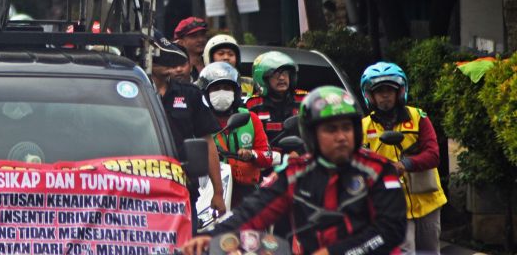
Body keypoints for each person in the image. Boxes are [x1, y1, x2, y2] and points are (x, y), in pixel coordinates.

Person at [181, 86, 406, 255]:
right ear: (311, 134)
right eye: (331, 129)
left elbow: (391, 230)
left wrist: (334, 253)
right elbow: (252, 211)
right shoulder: (294, 172)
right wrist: (209, 237)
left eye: (347, 128)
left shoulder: (379, 170)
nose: (341, 136)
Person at [360, 62, 446, 254]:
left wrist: (404, 164)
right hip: (392, 207)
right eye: (379, 90)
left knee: (431, 251)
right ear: (370, 95)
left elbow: (433, 155)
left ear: (400, 91)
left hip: (428, 202)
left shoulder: (418, 117)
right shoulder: (363, 128)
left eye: (389, 90)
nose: (384, 95)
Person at [147, 35, 224, 220]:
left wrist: (218, 193)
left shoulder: (190, 95)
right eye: (159, 57)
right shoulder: (133, 92)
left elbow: (207, 144)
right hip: (141, 190)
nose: (171, 64)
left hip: (182, 190)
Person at [196, 62, 271, 208]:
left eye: (227, 88)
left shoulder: (250, 119)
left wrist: (252, 154)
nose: (222, 92)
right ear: (206, 93)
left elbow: (267, 157)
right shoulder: (198, 122)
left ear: (236, 92)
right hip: (208, 194)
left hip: (246, 194)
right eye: (216, 88)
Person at [246, 51, 307, 145]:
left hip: (301, 156)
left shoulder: (304, 100)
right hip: (267, 157)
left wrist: (299, 152)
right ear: (263, 79)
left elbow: (317, 134)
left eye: (285, 73)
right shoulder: (252, 104)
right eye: (275, 73)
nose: (282, 78)